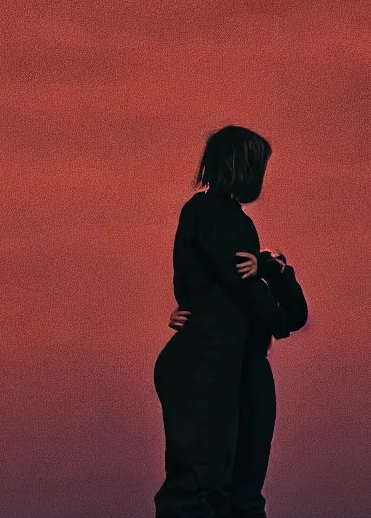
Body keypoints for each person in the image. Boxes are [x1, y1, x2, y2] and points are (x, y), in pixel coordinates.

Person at [153, 125, 308, 518]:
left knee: (230, 488)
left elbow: (204, 284)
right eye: (259, 166)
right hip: (208, 359)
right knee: (205, 487)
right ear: (243, 167)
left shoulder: (213, 217)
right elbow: (255, 298)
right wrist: (275, 309)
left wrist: (270, 268)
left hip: (225, 359)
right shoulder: (217, 216)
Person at [168, 248, 308, 518]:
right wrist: (183, 319)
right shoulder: (214, 282)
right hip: (216, 375)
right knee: (215, 472)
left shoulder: (256, 280)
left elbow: (293, 317)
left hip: (248, 375)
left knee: (247, 474)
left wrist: (269, 268)